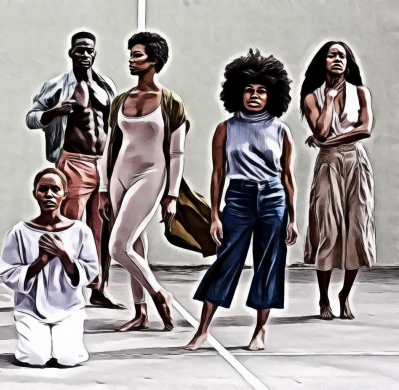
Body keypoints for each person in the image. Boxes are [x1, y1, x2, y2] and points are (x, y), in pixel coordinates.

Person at [99, 32, 212, 332]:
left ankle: (159, 293)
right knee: (135, 243)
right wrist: (102, 188)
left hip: (151, 175)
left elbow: (176, 152)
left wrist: (172, 195)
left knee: (118, 247)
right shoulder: (121, 100)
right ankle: (141, 314)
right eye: (131, 54)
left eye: (137, 55)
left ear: (154, 60)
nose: (131, 60)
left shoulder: (171, 102)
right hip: (118, 176)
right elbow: (109, 146)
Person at [185, 49, 298, 351]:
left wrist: (293, 218)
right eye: (249, 89)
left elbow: (287, 176)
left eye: (261, 90)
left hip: (273, 198)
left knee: (269, 264)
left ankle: (260, 331)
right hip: (238, 198)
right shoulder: (226, 128)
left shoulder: (280, 130)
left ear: (271, 94)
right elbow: (217, 174)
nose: (255, 95)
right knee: (226, 261)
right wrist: (214, 216)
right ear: (238, 91)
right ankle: (202, 330)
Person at [26, 32, 122, 309]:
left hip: (104, 164)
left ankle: (98, 288)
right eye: (79, 49)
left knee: (101, 229)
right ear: (71, 53)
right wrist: (54, 111)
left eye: (89, 50)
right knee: (67, 228)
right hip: (73, 164)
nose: (84, 54)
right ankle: (60, 288)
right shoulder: (57, 86)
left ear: (95, 53)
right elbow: (32, 118)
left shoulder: (107, 87)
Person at [301, 41, 375, 320]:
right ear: (323, 61)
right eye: (332, 55)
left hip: (356, 162)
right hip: (328, 165)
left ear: (348, 62)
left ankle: (344, 295)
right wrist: (329, 100)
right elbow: (319, 129)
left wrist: (327, 140)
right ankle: (323, 299)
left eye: (342, 55)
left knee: (356, 230)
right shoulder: (312, 97)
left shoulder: (361, 93)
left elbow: (365, 129)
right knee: (328, 231)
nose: (337, 59)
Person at [0, 168, 99, 367]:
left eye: (55, 189)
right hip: (31, 309)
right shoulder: (19, 232)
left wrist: (64, 256)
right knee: (36, 358)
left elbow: (90, 270)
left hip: (68, 308)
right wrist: (40, 262)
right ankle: (35, 340)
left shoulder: (80, 231)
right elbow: (8, 272)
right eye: (43, 189)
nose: (49, 195)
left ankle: (60, 340)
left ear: (64, 193)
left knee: (67, 358)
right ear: (35, 193)